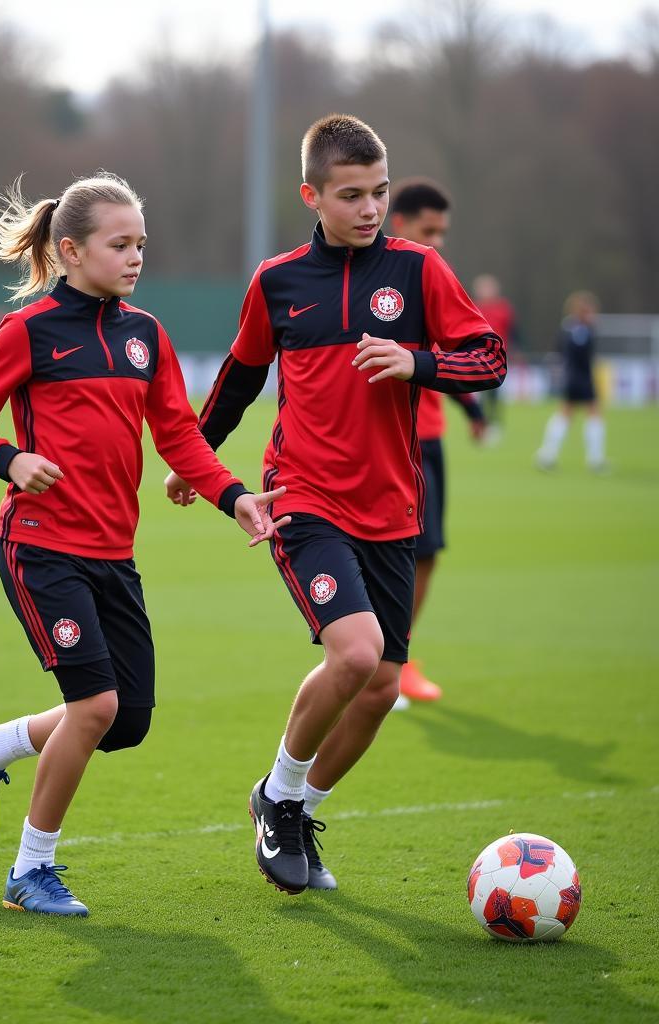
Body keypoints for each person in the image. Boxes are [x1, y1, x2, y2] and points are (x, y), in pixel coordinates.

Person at [165, 114, 505, 895]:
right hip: (303, 496)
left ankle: (289, 803)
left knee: (381, 688)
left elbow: (489, 357)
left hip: (391, 508)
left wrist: (417, 360)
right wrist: (198, 456)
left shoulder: (420, 272)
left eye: (379, 192)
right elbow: (242, 377)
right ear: (311, 194)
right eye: (350, 195)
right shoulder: (277, 280)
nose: (369, 208)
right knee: (353, 655)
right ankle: (282, 795)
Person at [0, 173, 287, 917]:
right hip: (39, 547)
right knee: (94, 705)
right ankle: (31, 870)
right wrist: (10, 460)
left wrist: (234, 498)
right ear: (70, 250)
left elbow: (179, 436)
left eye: (141, 244)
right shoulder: (29, 332)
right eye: (119, 244)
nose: (135, 257)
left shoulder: (146, 335)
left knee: (125, 720)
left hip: (112, 554)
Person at [387, 179, 486, 708]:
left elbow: (450, 354)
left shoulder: (431, 276)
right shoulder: (390, 281)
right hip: (400, 440)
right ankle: (388, 664)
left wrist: (471, 408)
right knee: (407, 553)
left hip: (431, 436)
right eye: (430, 230)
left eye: (443, 232)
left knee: (426, 555)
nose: (438, 242)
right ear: (400, 224)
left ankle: (397, 657)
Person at [536, 291, 606, 472]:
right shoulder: (581, 331)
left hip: (571, 377)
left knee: (565, 414)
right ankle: (595, 460)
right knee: (593, 414)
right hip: (581, 378)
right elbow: (583, 356)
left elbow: (558, 351)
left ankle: (547, 454)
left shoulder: (566, 328)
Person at [471, 275, 519, 443]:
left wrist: (514, 351)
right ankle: (481, 425)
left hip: (499, 358)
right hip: (478, 358)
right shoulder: (473, 307)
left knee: (496, 394)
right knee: (481, 395)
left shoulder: (504, 308)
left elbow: (512, 332)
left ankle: (495, 425)